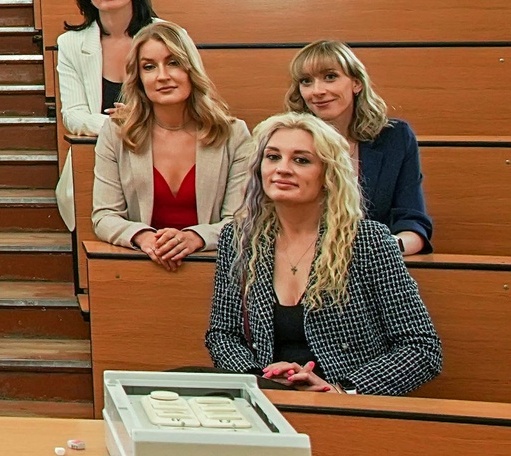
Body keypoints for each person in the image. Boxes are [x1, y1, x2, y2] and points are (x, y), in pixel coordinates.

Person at [206, 111, 441, 396]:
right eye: (273, 157)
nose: (282, 169)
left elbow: (421, 347)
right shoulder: (239, 239)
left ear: (328, 175)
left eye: (301, 160)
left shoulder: (368, 241)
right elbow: (223, 335)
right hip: (268, 396)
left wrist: (342, 391)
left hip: (346, 404)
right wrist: (260, 379)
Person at [91, 20, 255, 265]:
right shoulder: (116, 133)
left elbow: (240, 219)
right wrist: (144, 237)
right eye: (149, 67)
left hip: (214, 267)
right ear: (139, 78)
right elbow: (105, 216)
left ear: (191, 69)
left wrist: (195, 238)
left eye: (173, 63)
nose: (162, 76)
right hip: (142, 263)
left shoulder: (233, 134)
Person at [288, 41, 431, 254]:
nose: (317, 91)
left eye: (330, 77)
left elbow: (413, 222)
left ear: (356, 83)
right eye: (306, 81)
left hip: (375, 262)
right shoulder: (287, 141)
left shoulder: (395, 138)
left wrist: (382, 249)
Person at [55, 0, 159, 231]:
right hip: (99, 159)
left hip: (160, 153)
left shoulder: (168, 35)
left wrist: (139, 121)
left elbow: (192, 101)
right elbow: (73, 115)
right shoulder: (70, 44)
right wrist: (116, 125)